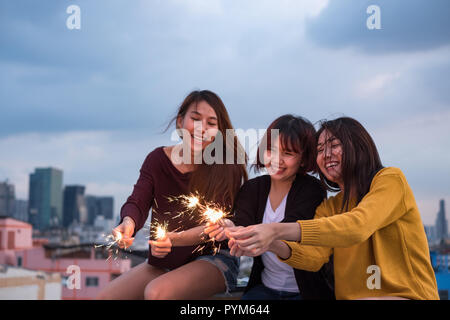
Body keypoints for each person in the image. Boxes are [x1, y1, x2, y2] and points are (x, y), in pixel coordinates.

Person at [227, 117, 439, 300]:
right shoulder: (330, 207)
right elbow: (313, 258)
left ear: (359, 146)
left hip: (406, 294)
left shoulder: (390, 180)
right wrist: (268, 243)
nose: (326, 154)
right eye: (320, 150)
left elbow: (357, 226)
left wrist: (274, 230)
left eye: (334, 145)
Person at [96, 90, 247, 300]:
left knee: (157, 293)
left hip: (213, 259)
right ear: (179, 122)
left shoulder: (226, 165)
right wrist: (128, 223)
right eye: (195, 119)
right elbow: (138, 200)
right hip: (167, 259)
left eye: (211, 123)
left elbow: (215, 227)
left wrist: (173, 240)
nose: (201, 128)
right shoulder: (157, 160)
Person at [205, 115, 335, 300]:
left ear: (304, 159)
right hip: (264, 287)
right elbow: (242, 223)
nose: (276, 160)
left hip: (306, 291)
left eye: (288, 153)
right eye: (270, 150)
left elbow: (288, 231)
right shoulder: (252, 188)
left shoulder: (312, 190)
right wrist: (228, 227)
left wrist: (244, 233)